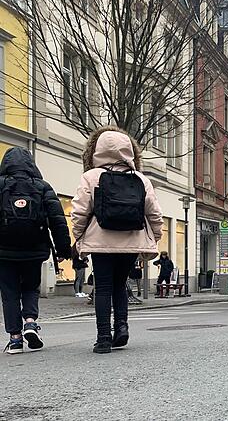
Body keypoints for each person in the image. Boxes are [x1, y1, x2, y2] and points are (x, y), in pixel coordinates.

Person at [72, 126, 163, 354]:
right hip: (131, 240)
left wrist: (80, 235)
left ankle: (103, 338)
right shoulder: (141, 179)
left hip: (100, 242)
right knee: (120, 285)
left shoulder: (91, 176)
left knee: (102, 287)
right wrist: (154, 237)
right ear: (129, 151)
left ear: (97, 150)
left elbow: (80, 211)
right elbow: (154, 213)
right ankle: (121, 327)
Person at [0, 148, 71, 354]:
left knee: (9, 293)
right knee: (31, 287)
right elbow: (58, 221)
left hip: (4, 250)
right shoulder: (42, 187)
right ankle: (30, 323)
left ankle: (15, 339)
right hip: (34, 249)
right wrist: (63, 249)